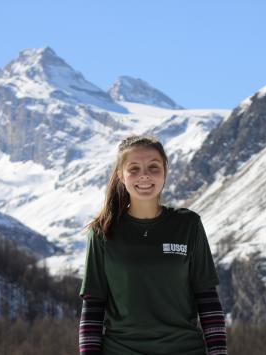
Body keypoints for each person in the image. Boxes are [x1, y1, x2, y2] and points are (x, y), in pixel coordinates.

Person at [78, 135, 227, 355]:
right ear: (120, 175)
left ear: (165, 171)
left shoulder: (188, 225)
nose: (145, 175)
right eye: (134, 169)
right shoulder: (102, 232)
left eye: (153, 167)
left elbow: (207, 299)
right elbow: (93, 306)